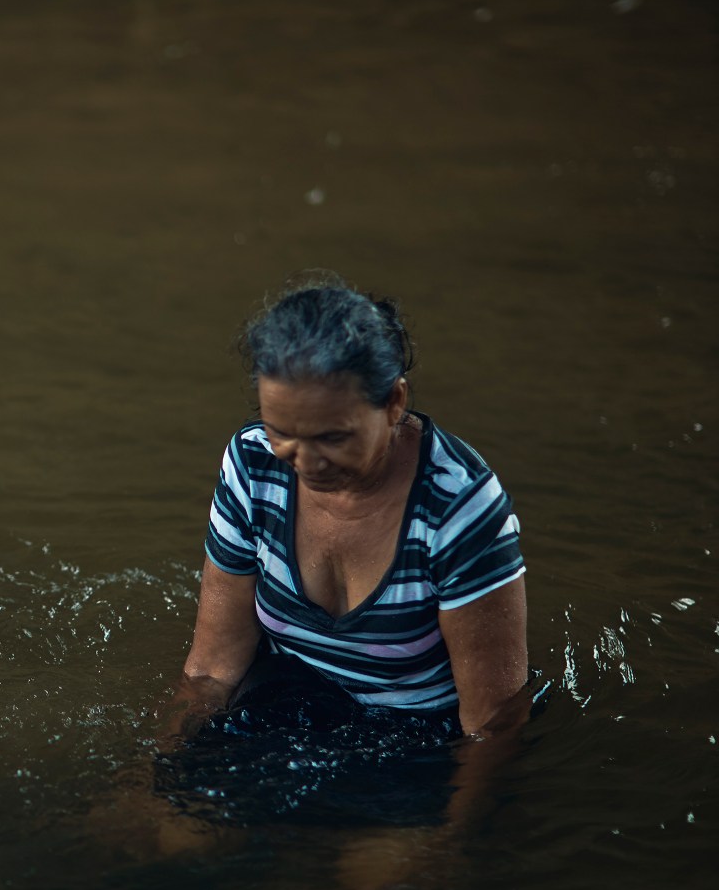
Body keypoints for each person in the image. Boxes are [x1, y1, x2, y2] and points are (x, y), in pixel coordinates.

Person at [173, 280, 529, 743]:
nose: (305, 462)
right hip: (285, 708)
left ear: (393, 403)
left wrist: (454, 818)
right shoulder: (253, 462)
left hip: (416, 742)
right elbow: (211, 672)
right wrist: (162, 776)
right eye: (282, 432)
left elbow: (492, 724)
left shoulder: (458, 505)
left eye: (333, 438)